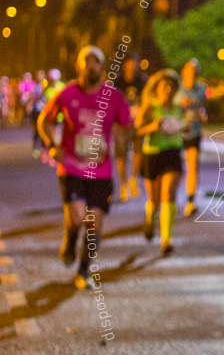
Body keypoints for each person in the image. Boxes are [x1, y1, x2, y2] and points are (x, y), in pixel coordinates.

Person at [37, 46, 132, 290]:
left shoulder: (114, 96)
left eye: (96, 62)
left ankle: (83, 270)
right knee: (77, 216)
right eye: (86, 62)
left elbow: (126, 128)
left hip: (101, 171)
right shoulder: (67, 93)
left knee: (95, 223)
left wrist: (119, 143)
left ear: (102, 67)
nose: (91, 67)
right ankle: (70, 240)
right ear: (79, 66)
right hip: (71, 167)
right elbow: (44, 121)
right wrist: (52, 144)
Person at [136, 69, 185, 255]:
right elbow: (137, 130)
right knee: (155, 201)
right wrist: (152, 127)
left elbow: (185, 128)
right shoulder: (150, 108)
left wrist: (187, 128)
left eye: (172, 87)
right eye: (165, 87)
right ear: (157, 89)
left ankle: (166, 239)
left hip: (173, 153)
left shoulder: (180, 109)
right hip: (153, 154)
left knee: (169, 194)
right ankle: (150, 216)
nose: (168, 90)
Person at [175, 59, 208, 216]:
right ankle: (170, 200)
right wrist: (180, 107)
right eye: (189, 70)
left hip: (194, 131)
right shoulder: (176, 89)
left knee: (192, 166)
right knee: (175, 169)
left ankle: (190, 200)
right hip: (176, 133)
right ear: (184, 72)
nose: (191, 73)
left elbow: (203, 108)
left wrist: (202, 114)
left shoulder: (201, 89)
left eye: (194, 71)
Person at [114, 55, 148, 201]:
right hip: (121, 125)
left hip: (137, 123)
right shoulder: (118, 82)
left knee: (138, 152)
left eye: (135, 66)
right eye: (129, 65)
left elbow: (147, 100)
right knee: (121, 156)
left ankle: (133, 178)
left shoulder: (143, 81)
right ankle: (123, 185)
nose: (132, 69)